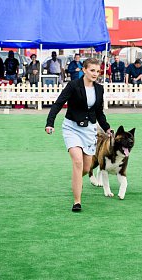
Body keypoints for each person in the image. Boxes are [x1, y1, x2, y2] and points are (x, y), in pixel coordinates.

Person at [45, 58, 111, 212]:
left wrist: (107, 128)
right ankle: (77, 201)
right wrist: (50, 123)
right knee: (77, 162)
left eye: (97, 71)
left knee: (87, 167)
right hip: (72, 128)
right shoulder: (73, 85)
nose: (95, 73)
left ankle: (75, 181)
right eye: (92, 70)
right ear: (84, 70)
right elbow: (58, 103)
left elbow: (99, 112)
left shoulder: (99, 89)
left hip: (89, 131)